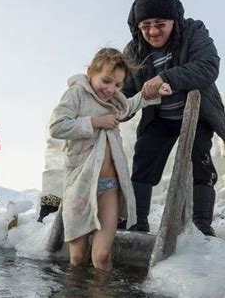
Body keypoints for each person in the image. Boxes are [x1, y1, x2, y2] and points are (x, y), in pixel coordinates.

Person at [48, 47, 172, 271]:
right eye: (106, 81)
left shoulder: (115, 101)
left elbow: (129, 107)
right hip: (80, 186)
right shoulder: (76, 94)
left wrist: (152, 94)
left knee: (102, 255)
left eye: (117, 85)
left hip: (109, 187)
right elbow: (57, 126)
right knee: (78, 256)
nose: (111, 89)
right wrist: (95, 122)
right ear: (90, 73)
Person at [122, 0, 225, 237]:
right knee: (144, 158)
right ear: (138, 27)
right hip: (160, 116)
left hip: (197, 112)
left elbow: (208, 66)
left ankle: (200, 227)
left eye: (160, 24)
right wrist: (114, 108)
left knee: (200, 162)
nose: (153, 31)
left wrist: (165, 78)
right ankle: (139, 223)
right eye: (146, 26)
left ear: (173, 20)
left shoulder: (193, 31)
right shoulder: (134, 50)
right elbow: (125, 91)